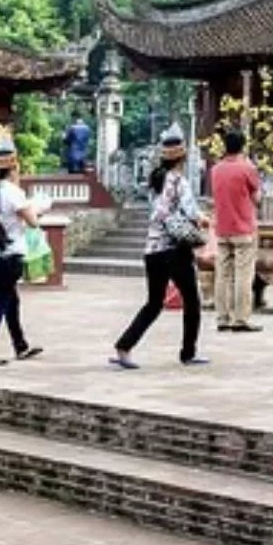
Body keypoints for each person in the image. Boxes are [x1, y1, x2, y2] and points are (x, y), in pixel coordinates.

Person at [111, 125, 209, 369]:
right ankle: (188, 352)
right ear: (183, 157)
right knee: (192, 301)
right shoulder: (179, 182)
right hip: (175, 249)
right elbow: (191, 212)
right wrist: (203, 220)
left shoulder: (155, 180)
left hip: (153, 249)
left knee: (154, 303)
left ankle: (124, 346)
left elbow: (159, 210)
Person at [0, 133, 43, 366]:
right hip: (11, 255)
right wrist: (36, 208)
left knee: (10, 300)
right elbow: (33, 222)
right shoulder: (14, 193)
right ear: (13, 168)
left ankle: (20, 345)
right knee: (1, 301)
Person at [209, 129, 263, 333]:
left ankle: (222, 317)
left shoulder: (215, 170)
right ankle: (240, 319)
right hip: (243, 228)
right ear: (243, 146)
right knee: (243, 274)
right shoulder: (247, 168)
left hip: (222, 227)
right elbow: (257, 198)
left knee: (222, 274)